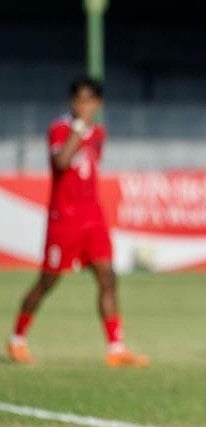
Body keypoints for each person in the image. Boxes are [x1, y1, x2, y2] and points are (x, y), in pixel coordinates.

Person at [7, 75, 150, 367]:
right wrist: (79, 128)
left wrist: (86, 129)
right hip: (64, 219)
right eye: (79, 100)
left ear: (98, 103)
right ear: (72, 102)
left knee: (107, 276)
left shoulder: (99, 133)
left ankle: (116, 348)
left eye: (90, 101)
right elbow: (61, 163)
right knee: (48, 281)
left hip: (92, 217)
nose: (84, 106)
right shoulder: (60, 129)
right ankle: (17, 339)